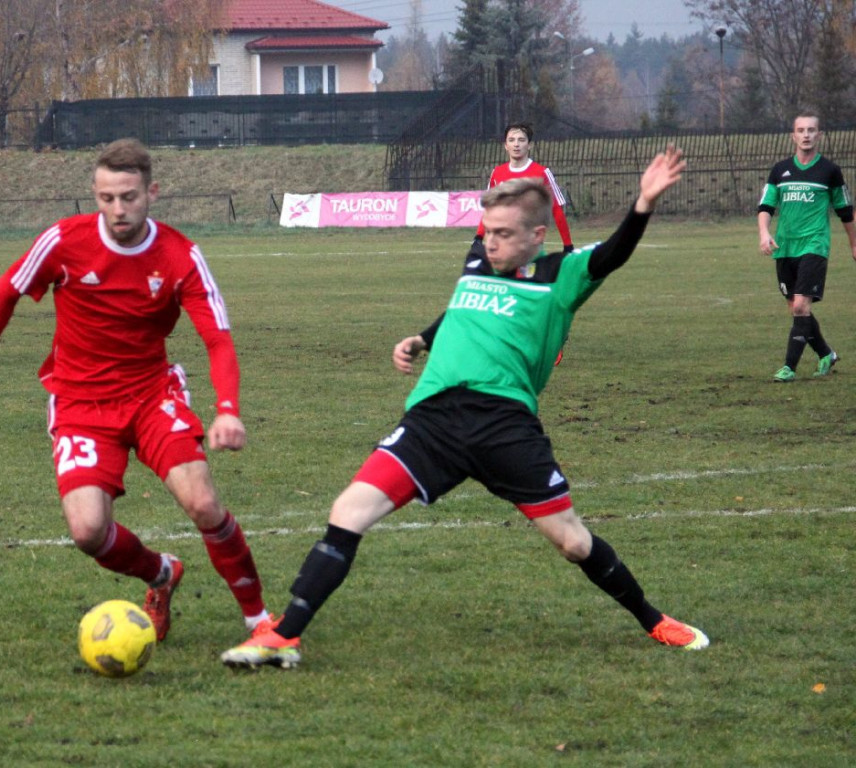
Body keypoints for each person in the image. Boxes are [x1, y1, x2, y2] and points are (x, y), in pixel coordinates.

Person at [221, 145, 709, 670]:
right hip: (432, 423)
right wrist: (421, 338)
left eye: (502, 233)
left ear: (535, 236)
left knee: (571, 541)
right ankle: (284, 638)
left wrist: (642, 205)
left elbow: (615, 252)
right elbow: (462, 308)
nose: (489, 241)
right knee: (348, 512)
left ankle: (653, 619)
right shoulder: (477, 260)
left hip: (505, 428)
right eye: (486, 230)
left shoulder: (561, 276)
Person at [0, 138, 271, 644]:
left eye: (128, 196)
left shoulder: (180, 254)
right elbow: (6, 292)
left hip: (152, 395)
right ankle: (161, 573)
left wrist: (228, 410)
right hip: (80, 404)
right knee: (87, 532)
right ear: (94, 196)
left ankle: (259, 621)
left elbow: (218, 337)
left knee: (204, 503)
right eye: (106, 198)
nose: (117, 209)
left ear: (152, 193)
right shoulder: (63, 241)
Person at [758, 112, 856, 382]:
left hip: (814, 245)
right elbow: (766, 206)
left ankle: (789, 367)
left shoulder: (829, 171)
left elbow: (845, 211)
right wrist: (764, 233)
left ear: (819, 135)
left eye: (811, 130)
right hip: (785, 247)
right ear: (793, 135)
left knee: (801, 306)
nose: (806, 134)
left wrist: (853, 244)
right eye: (801, 130)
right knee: (797, 308)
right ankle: (826, 353)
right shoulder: (780, 171)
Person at [472, 122, 574, 257]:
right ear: (505, 146)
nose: (516, 144)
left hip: (531, 245)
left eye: (521, 140)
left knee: (530, 277)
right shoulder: (497, 173)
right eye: (511, 140)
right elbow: (490, 209)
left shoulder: (542, 173)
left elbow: (556, 209)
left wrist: (567, 245)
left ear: (529, 145)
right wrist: (479, 237)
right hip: (503, 244)